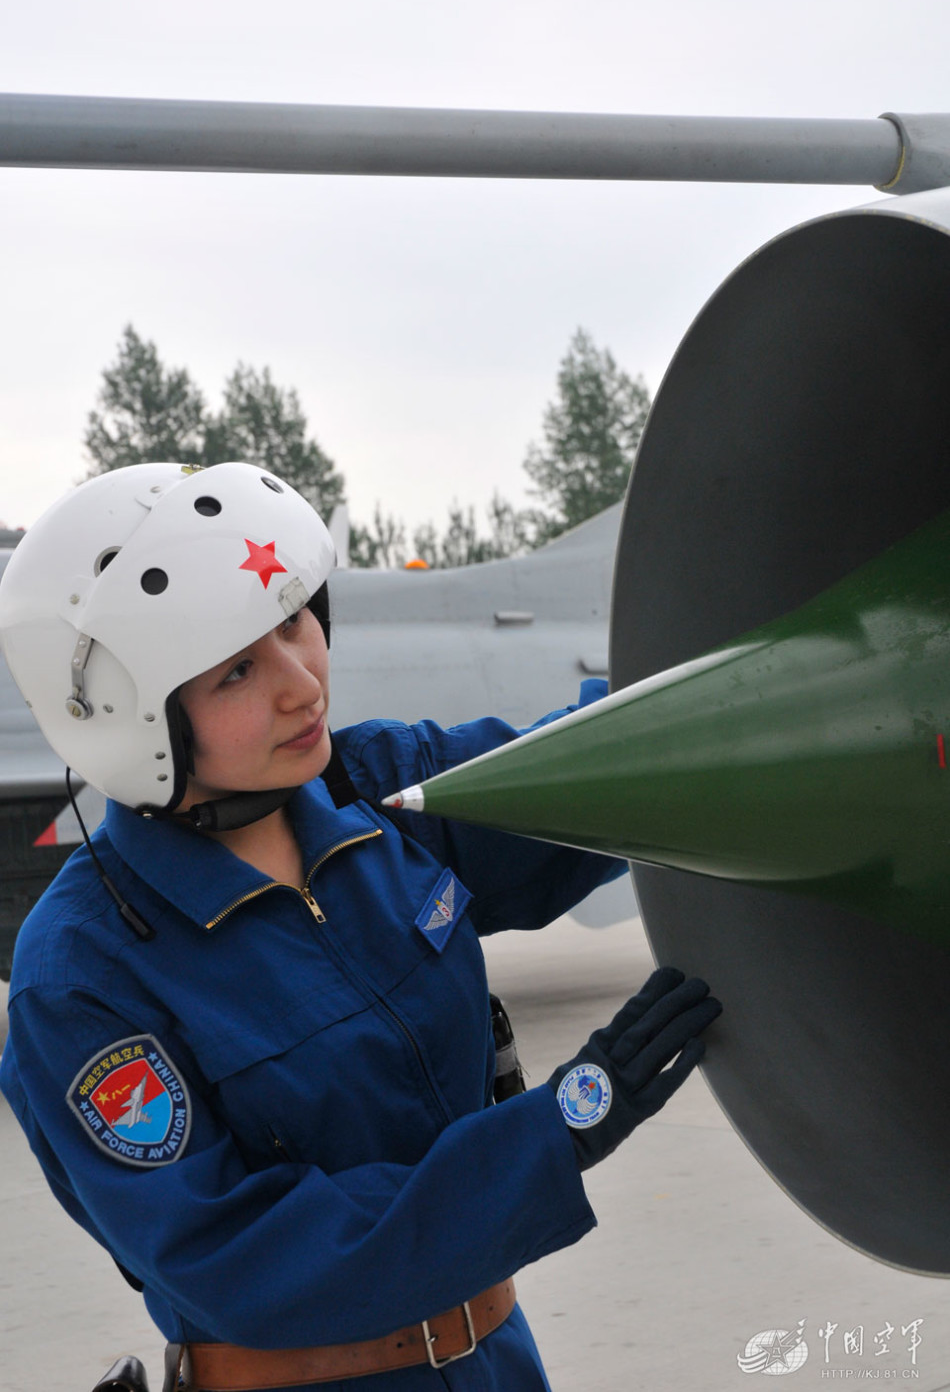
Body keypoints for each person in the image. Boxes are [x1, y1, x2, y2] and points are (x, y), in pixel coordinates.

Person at [0, 461, 721, 1392]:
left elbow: (590, 771)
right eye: (238, 670)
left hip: (497, 1363)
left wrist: (734, 699)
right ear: (128, 718)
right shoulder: (85, 972)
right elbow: (246, 1257)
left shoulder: (376, 788)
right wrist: (561, 1126)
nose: (304, 687)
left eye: (296, 621)